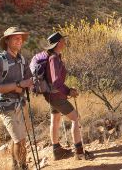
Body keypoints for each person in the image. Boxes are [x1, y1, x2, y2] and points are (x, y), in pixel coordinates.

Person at [42, 32, 93, 161]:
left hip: (51, 96)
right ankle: (79, 152)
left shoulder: (55, 56)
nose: (65, 42)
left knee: (56, 119)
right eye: (63, 40)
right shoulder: (54, 58)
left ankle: (57, 150)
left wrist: (67, 89)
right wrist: (68, 91)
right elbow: (56, 82)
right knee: (75, 118)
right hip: (57, 96)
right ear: (58, 43)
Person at [0, 27, 34, 170]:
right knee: (19, 139)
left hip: (21, 104)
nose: (19, 40)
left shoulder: (22, 59)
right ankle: (23, 167)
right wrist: (17, 85)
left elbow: (29, 79)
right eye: (16, 38)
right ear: (7, 40)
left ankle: (16, 166)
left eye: (21, 38)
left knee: (21, 139)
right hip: (6, 107)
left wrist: (29, 83)